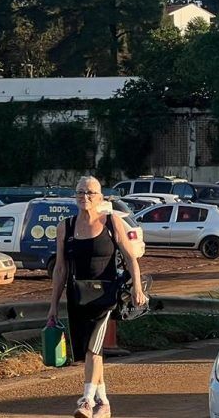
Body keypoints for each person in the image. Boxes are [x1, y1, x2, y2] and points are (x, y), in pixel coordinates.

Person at [48, 176, 147, 418]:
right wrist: (53, 306)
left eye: (91, 193)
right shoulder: (66, 227)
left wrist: (137, 288)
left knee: (93, 348)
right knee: (91, 353)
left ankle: (86, 401)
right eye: (81, 192)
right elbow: (60, 269)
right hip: (77, 296)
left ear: (100, 197)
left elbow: (131, 257)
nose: (85, 197)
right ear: (75, 196)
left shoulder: (112, 222)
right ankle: (104, 403)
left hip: (106, 297)